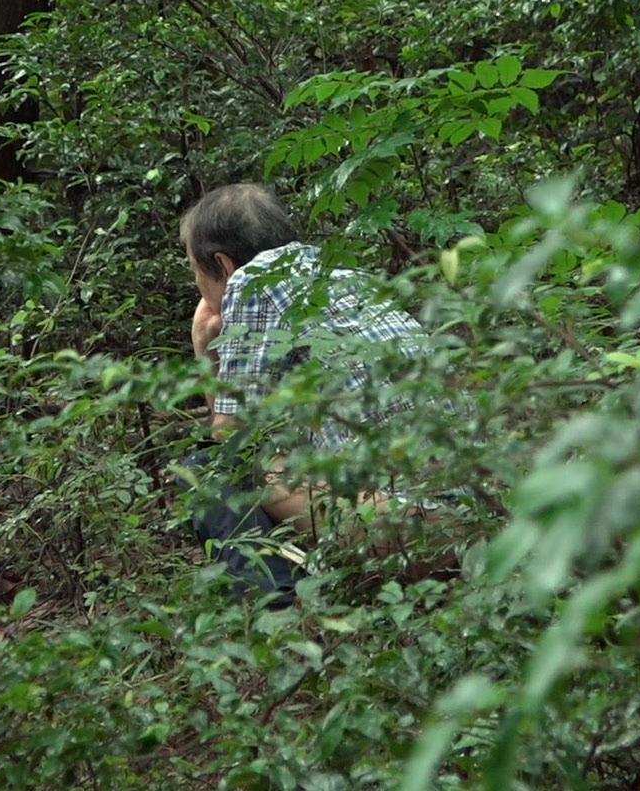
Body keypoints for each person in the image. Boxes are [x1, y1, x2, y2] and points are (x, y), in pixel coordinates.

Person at [178, 183, 448, 602]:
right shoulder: (345, 276)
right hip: (473, 520)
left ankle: (274, 607)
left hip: (405, 528)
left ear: (223, 265)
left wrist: (203, 351)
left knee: (211, 465)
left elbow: (230, 438)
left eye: (194, 271)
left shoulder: (252, 283)